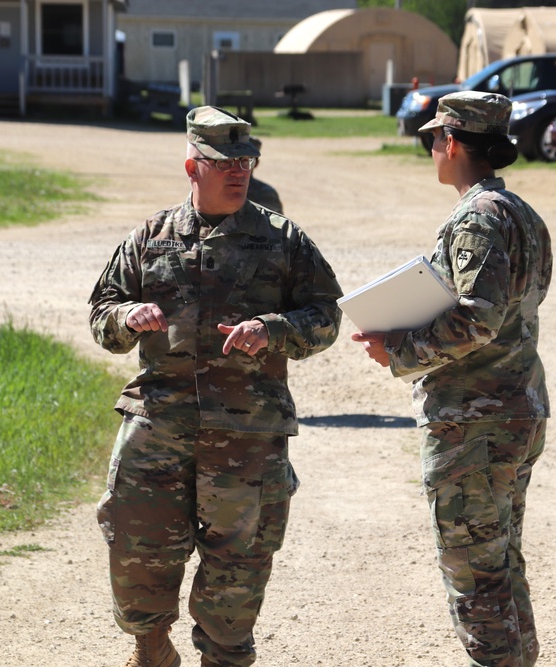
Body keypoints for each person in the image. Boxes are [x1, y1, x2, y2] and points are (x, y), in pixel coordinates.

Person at [89, 106, 343, 667]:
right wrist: (127, 318)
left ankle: (223, 659)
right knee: (137, 551)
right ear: (192, 166)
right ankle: (150, 648)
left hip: (246, 436)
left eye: (246, 160)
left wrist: (274, 330)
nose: (238, 170)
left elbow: (327, 315)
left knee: (239, 567)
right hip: (158, 427)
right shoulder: (150, 237)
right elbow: (101, 313)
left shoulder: (283, 240)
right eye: (224, 161)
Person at [352, 91, 552, 667]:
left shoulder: (477, 218)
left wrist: (398, 350)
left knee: (475, 570)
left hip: (475, 421)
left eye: (435, 137)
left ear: (455, 143)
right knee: (501, 560)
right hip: (515, 408)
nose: (432, 147)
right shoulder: (522, 215)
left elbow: (476, 320)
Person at [245, 137, 284, 214]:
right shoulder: (266, 192)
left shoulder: (265, 194)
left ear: (256, 163)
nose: (239, 167)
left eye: (246, 161)